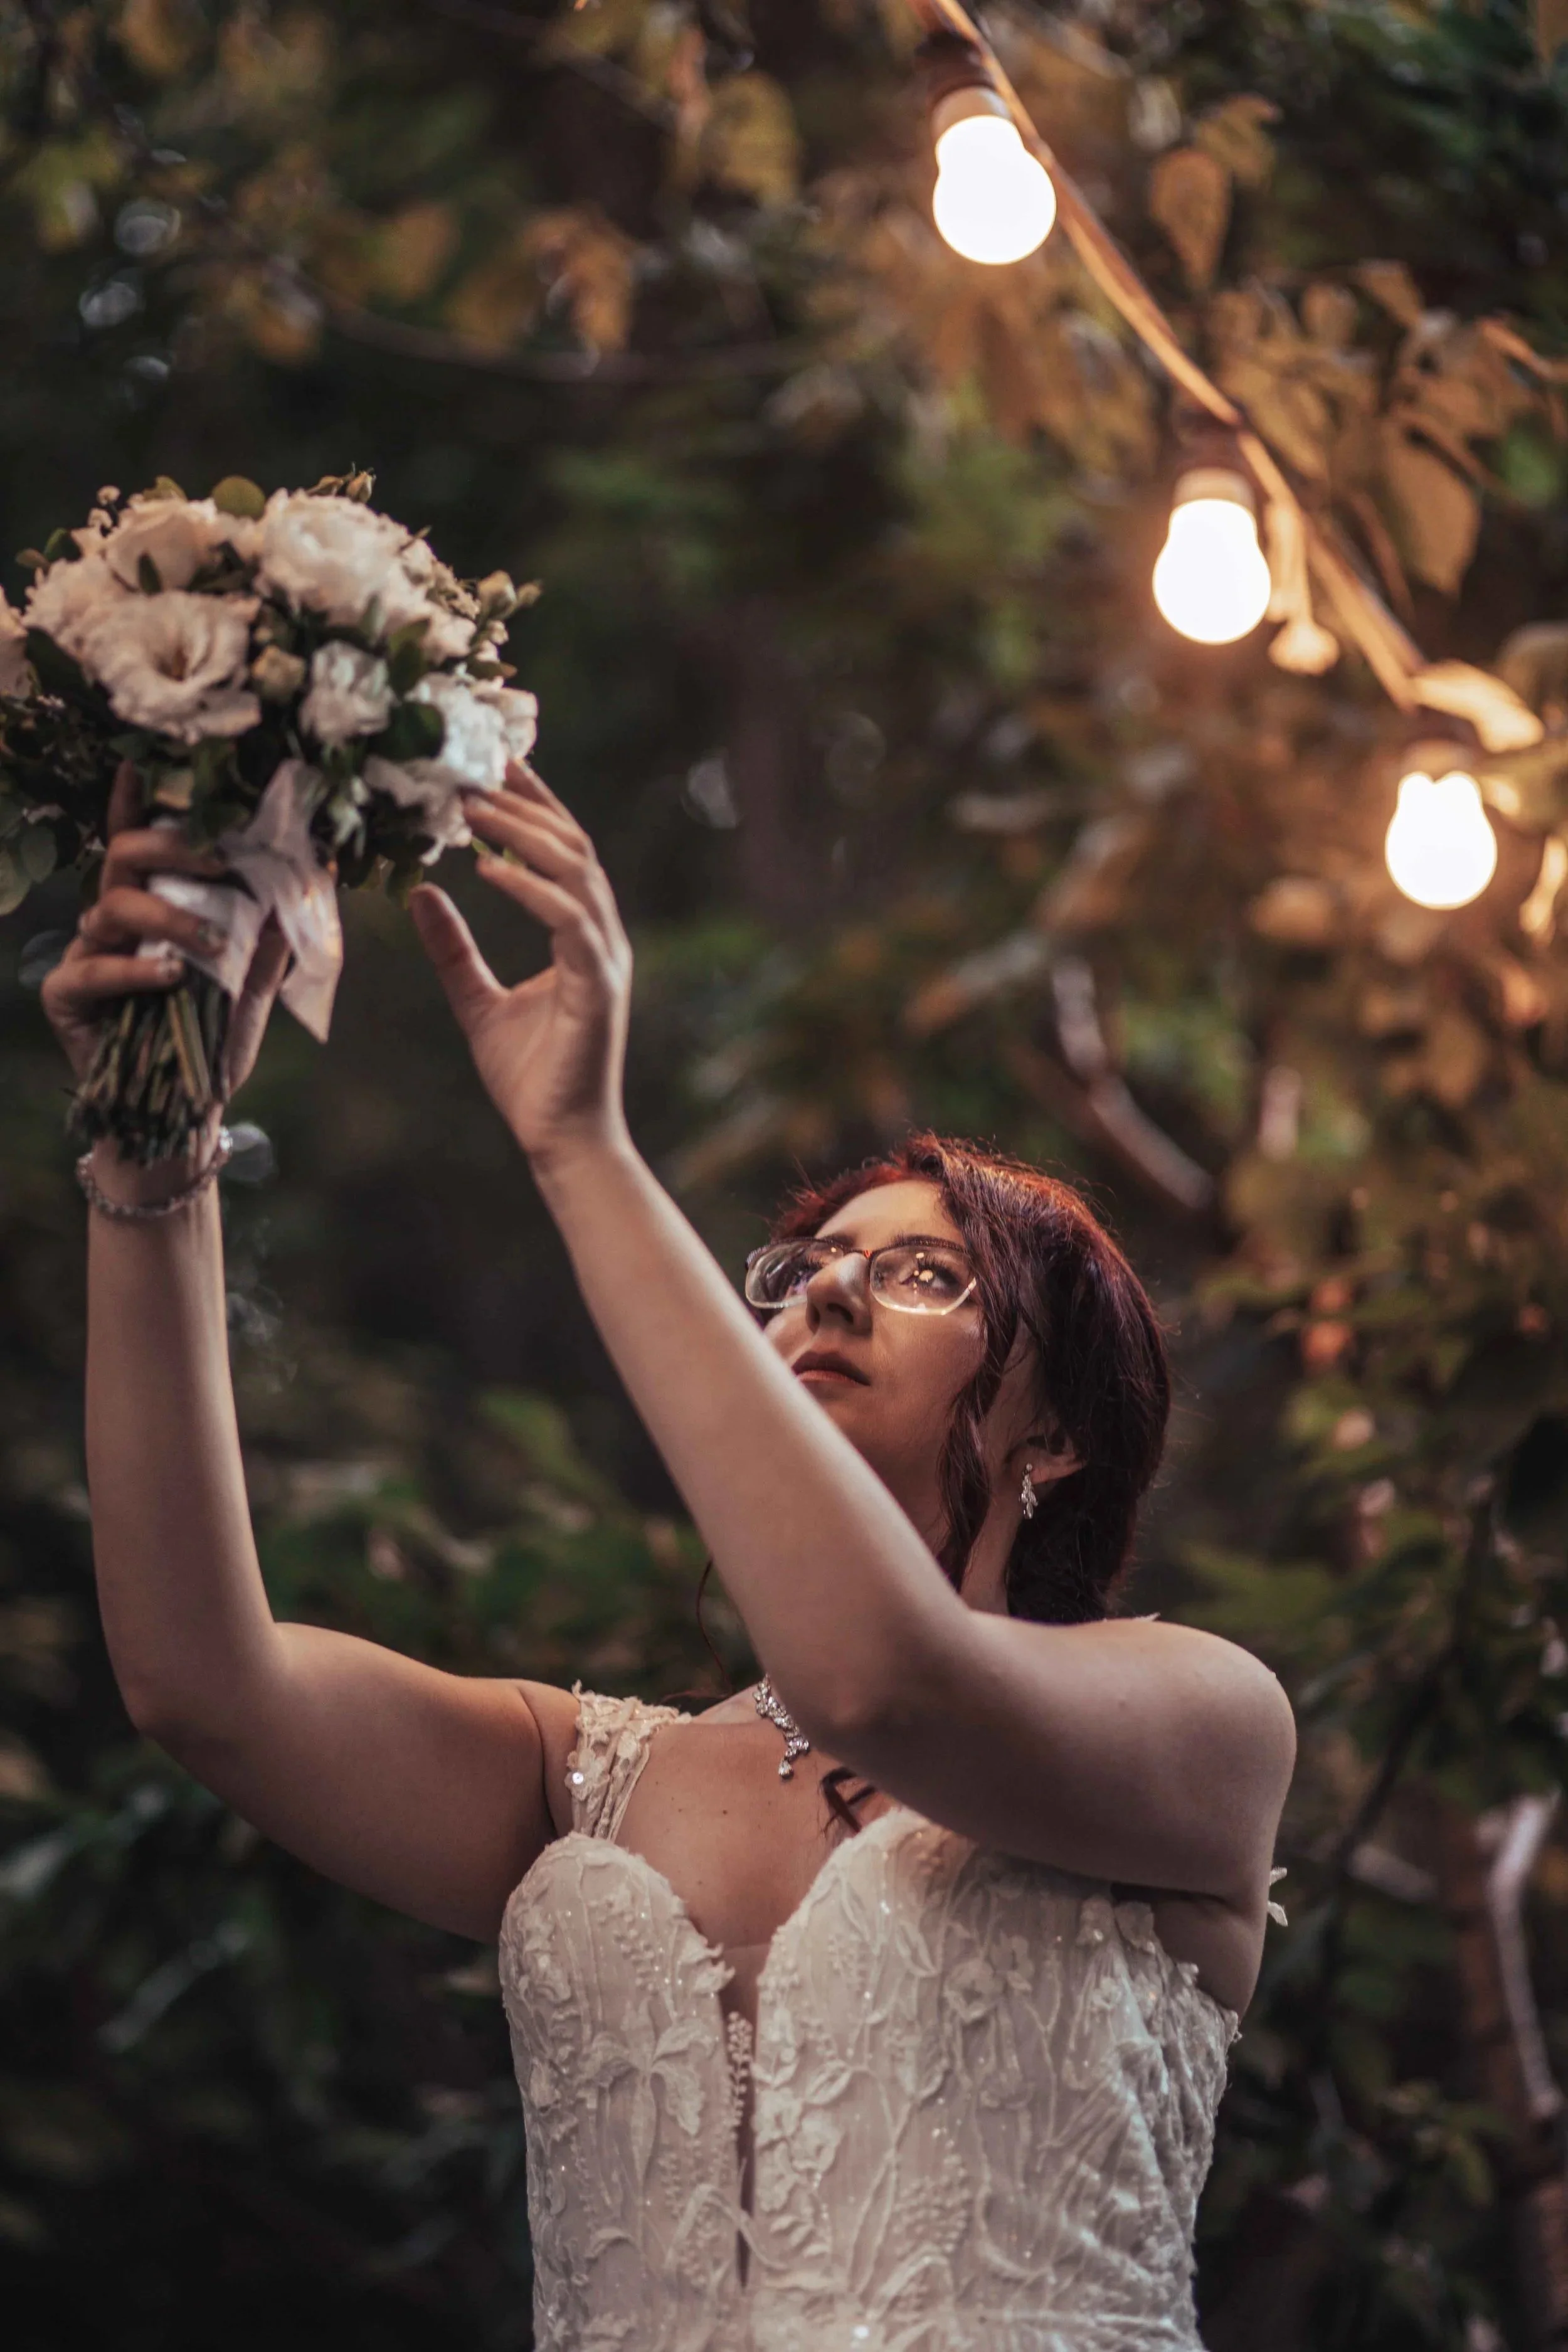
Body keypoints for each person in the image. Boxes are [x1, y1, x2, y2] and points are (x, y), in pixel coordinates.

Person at [45, 762, 1295, 2352]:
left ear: (1057, 1437)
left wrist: (578, 1145)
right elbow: (199, 1681)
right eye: (804, 1269)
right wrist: (154, 1156)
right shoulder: (582, 1778)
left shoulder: (1203, 1717)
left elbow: (876, 1682)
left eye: (924, 1274)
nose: (828, 1297)